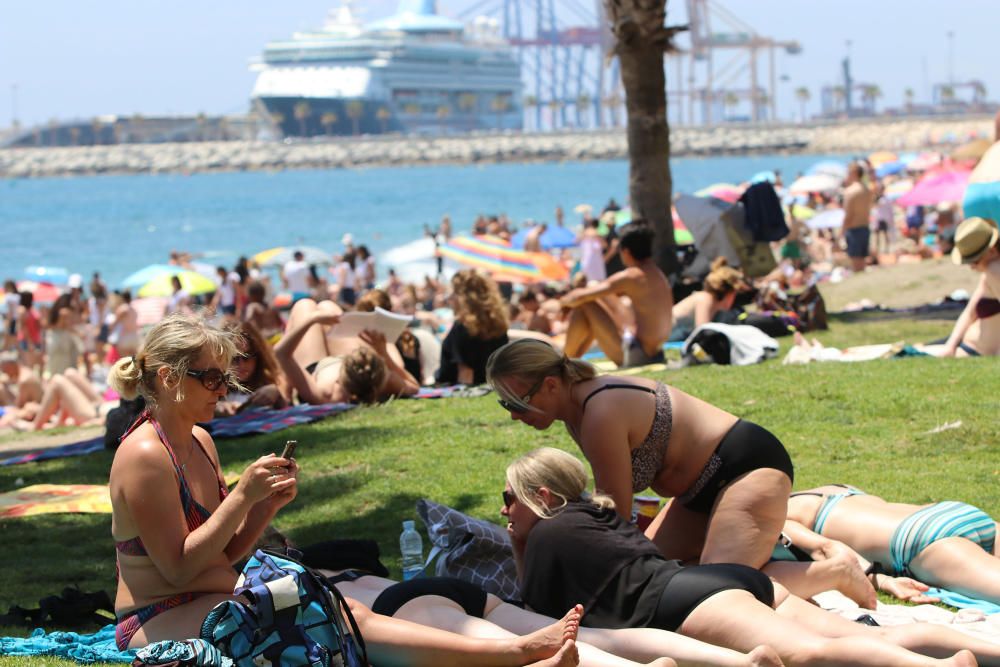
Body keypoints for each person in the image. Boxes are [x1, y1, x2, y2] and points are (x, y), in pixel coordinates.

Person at [107, 314, 581, 667]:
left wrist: (263, 508)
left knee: (346, 612)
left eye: (226, 377)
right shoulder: (146, 455)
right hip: (158, 615)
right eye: (211, 378)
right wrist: (242, 497)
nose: (223, 389)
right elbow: (176, 569)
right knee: (332, 624)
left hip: (206, 595)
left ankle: (516, 653)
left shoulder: (200, 439)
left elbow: (224, 552)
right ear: (170, 378)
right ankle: (517, 654)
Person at [503, 447, 990, 667]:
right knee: (876, 634)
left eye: (510, 498)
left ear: (542, 496)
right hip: (720, 584)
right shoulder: (597, 515)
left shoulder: (548, 535)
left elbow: (539, 623)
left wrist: (520, 544)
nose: (503, 511)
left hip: (686, 602)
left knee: (805, 654)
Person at [486, 339, 792, 569]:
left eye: (516, 402)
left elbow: (613, 511)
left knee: (723, 588)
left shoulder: (599, 413)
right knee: (652, 572)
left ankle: (830, 571)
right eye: (505, 404)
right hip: (698, 493)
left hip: (744, 469)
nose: (513, 415)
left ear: (551, 385)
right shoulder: (577, 416)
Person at [321, 569, 777, 667]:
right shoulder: (317, 565)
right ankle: (741, 663)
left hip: (401, 610)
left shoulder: (277, 574)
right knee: (600, 637)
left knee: (534, 651)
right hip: (431, 587)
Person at [785, 483, 1000, 604]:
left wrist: (881, 580)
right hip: (951, 512)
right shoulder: (824, 489)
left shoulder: (774, 521)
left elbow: (827, 550)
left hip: (918, 539)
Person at [560, 220, 672, 368]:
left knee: (584, 304)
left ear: (626, 252)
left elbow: (579, 297)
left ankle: (562, 363)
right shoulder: (656, 273)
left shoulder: (632, 276)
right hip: (653, 351)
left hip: (637, 355)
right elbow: (595, 290)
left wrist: (562, 302)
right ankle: (569, 361)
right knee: (593, 293)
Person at [274, 298, 418, 404]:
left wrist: (312, 319)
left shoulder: (326, 394)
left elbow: (281, 353)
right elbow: (413, 385)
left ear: (338, 381)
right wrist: (383, 352)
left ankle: (283, 392)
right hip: (347, 364)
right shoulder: (384, 381)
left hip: (317, 366)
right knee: (327, 305)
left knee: (304, 305)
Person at [437, 270, 510, 386]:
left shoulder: (463, 326)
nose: (449, 297)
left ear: (464, 297)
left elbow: (465, 374)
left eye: (454, 292)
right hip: (493, 385)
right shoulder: (498, 324)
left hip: (452, 386)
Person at [939, 217, 1000, 357]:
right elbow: (969, 313)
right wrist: (950, 346)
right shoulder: (989, 273)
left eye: (974, 260)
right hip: (969, 346)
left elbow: (969, 313)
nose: (972, 267)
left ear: (992, 251)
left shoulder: (993, 271)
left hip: (975, 349)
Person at [215, 321, 291, 416]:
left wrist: (275, 391)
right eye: (234, 358)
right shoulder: (212, 384)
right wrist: (214, 407)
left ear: (259, 355)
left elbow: (285, 397)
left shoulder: (271, 375)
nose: (241, 365)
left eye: (247, 356)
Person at [670, 258, 747, 341]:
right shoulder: (705, 299)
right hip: (667, 334)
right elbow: (702, 331)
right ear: (730, 292)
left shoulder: (712, 300)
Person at [841, 162, 874, 272]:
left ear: (853, 173)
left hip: (854, 229)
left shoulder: (850, 192)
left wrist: (841, 233)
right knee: (862, 262)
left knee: (855, 263)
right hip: (865, 227)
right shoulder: (867, 190)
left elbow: (848, 215)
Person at [45, 293, 84, 377]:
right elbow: (67, 326)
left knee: (54, 365)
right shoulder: (65, 312)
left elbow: (48, 325)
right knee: (64, 365)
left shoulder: (55, 311)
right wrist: (78, 334)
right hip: (62, 339)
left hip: (53, 337)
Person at [578, 219, 608, 284]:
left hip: (593, 262)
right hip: (593, 262)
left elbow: (604, 245)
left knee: (591, 280)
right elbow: (605, 245)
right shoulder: (595, 235)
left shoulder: (589, 234)